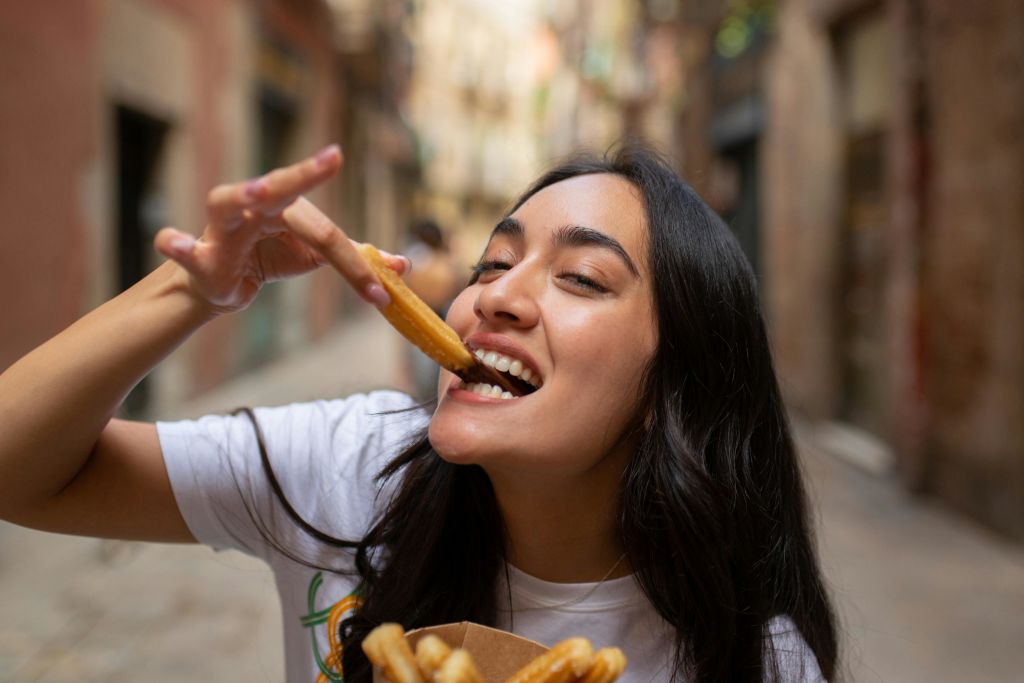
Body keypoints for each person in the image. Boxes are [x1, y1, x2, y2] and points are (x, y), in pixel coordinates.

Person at [0, 142, 838, 682]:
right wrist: (192, 290)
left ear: (670, 388)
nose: (493, 296)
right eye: (494, 262)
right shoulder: (349, 464)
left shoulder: (752, 659)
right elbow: (20, 472)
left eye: (581, 278)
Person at [401, 217, 459, 399]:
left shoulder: (416, 260)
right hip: (439, 320)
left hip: (418, 320)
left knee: (424, 379)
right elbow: (450, 289)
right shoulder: (446, 262)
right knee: (433, 378)